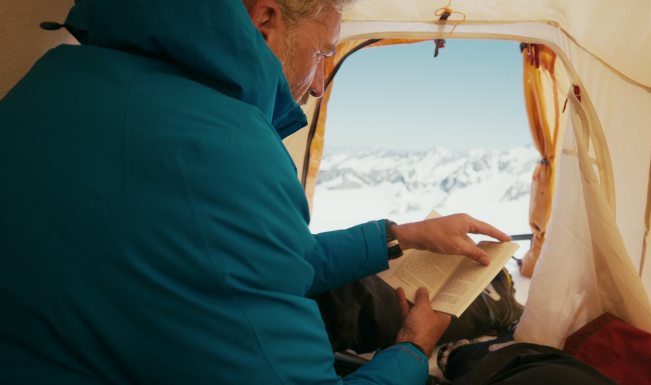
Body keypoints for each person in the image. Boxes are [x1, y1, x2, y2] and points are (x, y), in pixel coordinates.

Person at [0, 0, 512, 384]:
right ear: (266, 17)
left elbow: (232, 262)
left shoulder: (48, 84)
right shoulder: (223, 149)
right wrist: (410, 348)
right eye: (322, 53)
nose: (317, 86)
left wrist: (399, 234)